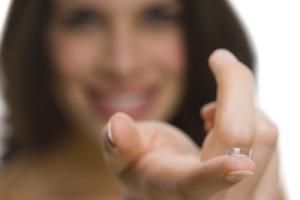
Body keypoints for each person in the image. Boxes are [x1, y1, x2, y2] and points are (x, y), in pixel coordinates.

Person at [0, 0, 285, 199]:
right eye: (83, 19)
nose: (122, 65)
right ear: (37, 36)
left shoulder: (250, 190)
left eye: (157, 15)